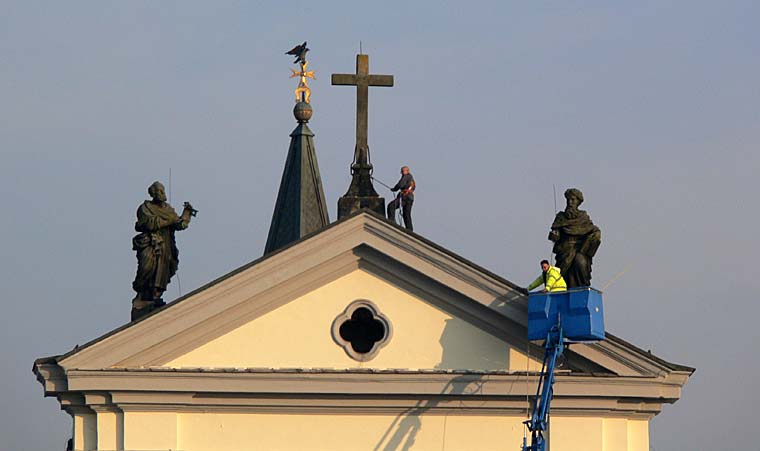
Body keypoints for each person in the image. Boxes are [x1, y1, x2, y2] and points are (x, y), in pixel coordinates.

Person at [132, 181, 195, 313]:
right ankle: (142, 294)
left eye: (163, 191)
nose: (162, 194)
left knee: (162, 272)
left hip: (166, 246)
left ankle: (154, 296)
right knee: (146, 266)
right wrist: (167, 221)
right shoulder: (145, 207)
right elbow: (147, 223)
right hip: (151, 243)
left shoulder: (168, 209)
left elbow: (179, 224)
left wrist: (187, 213)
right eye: (159, 192)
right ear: (153, 194)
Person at [548, 188, 601, 288]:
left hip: (579, 249)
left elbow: (593, 230)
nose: (570, 202)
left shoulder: (583, 217)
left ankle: (582, 288)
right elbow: (555, 232)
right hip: (564, 250)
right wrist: (554, 235)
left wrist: (595, 236)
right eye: (568, 200)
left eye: (573, 200)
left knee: (580, 262)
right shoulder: (561, 217)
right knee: (563, 277)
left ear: (578, 202)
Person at [387, 166, 415, 231]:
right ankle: (409, 230)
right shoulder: (411, 178)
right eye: (401, 171)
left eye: (403, 171)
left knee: (391, 206)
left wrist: (394, 189)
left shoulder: (407, 177)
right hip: (409, 198)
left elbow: (400, 184)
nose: (402, 173)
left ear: (407, 171)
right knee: (406, 214)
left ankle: (392, 223)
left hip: (405, 197)